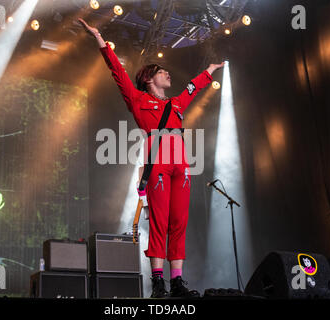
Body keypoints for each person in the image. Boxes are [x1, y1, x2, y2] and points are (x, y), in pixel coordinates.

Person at [79, 18, 224, 298]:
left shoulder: (176, 103)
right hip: (156, 165)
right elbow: (117, 72)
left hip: (181, 166)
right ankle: (159, 283)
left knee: (179, 222)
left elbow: (192, 88)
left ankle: (177, 282)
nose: (168, 74)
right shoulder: (137, 100)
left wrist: (209, 71)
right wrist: (100, 39)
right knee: (159, 222)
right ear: (148, 79)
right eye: (162, 72)